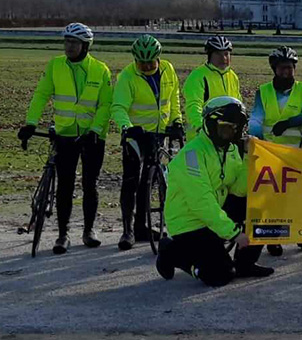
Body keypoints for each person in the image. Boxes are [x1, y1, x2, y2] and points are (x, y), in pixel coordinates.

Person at [156, 96, 273, 286]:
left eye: (235, 127)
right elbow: (202, 203)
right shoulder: (191, 156)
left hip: (215, 216)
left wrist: (248, 159)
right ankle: (172, 252)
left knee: (258, 203)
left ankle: (245, 263)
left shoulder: (231, 150)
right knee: (220, 275)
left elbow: (239, 191)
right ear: (211, 124)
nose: (230, 132)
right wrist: (234, 233)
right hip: (191, 224)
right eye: (226, 126)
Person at [20, 23, 112, 254]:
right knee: (65, 185)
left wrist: (94, 130)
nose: (69, 46)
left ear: (86, 46)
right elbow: (41, 95)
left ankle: (89, 230)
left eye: (74, 42)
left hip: (91, 136)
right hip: (64, 134)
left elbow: (105, 105)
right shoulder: (55, 66)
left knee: (90, 185)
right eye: (67, 41)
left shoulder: (100, 70)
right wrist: (31, 122)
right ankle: (63, 234)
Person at [111, 34, 184, 251]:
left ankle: (142, 227)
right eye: (141, 62)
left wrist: (177, 121)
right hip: (135, 135)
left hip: (158, 134)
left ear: (158, 57)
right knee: (131, 180)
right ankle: (128, 230)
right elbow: (118, 107)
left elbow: (173, 98)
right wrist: (127, 127)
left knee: (148, 182)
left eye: (151, 61)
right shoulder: (127, 76)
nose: (146, 65)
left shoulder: (168, 69)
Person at [249, 46, 302, 255]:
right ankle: (273, 238)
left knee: (300, 197)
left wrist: (292, 121)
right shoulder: (262, 92)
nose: (286, 73)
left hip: (298, 154)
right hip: (270, 153)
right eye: (282, 69)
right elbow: (256, 118)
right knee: (270, 199)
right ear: (274, 69)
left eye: (290, 68)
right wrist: (256, 139)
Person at [183, 36, 239, 140]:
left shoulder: (233, 76)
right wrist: (202, 127)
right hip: (202, 137)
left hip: (225, 135)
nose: (224, 58)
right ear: (209, 56)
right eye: (218, 54)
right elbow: (193, 105)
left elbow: (238, 104)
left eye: (226, 54)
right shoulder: (198, 76)